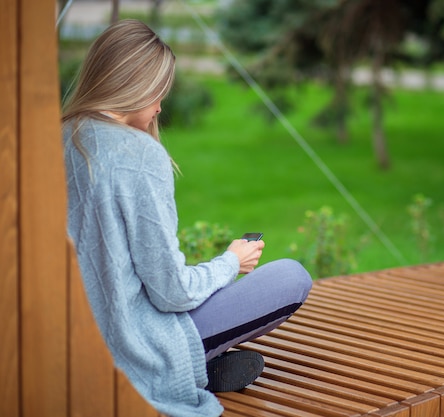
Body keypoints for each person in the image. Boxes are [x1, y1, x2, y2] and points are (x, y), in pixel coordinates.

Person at [62, 19, 312, 417]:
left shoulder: (53, 138)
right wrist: (232, 262)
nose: (160, 106)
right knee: (291, 277)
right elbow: (170, 292)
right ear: (135, 84)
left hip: (62, 341)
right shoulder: (140, 156)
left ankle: (204, 365)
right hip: (133, 347)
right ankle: (196, 366)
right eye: (159, 93)